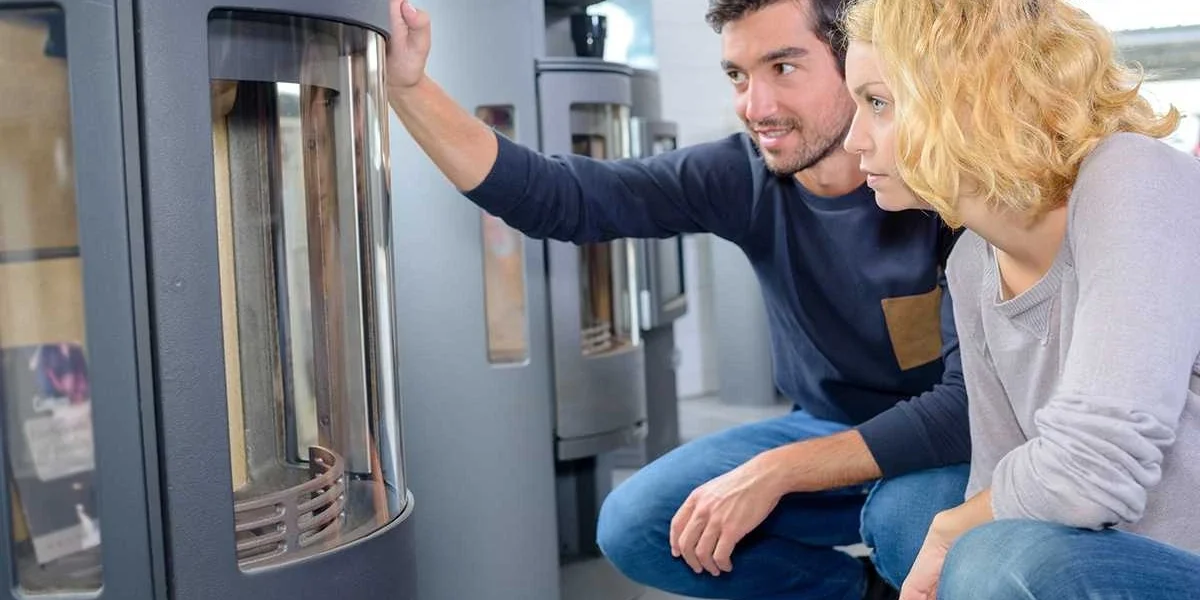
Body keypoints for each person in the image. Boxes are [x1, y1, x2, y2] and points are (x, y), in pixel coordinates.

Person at [387, 0, 971, 598]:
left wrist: (777, 471)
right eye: (738, 76)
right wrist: (409, 88)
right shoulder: (743, 175)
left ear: (858, 65)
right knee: (637, 524)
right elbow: (563, 198)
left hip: (942, 446)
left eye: (783, 68)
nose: (755, 107)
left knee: (906, 525)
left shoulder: (946, 188)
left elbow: (966, 408)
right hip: (824, 426)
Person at [840, 0, 1200, 598]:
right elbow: (996, 472)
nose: (853, 139)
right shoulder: (971, 263)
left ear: (976, 96)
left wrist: (951, 535)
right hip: (1100, 542)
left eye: (878, 103)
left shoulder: (1136, 176)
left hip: (1174, 558)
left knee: (989, 554)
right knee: (911, 515)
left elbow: (1093, 468)